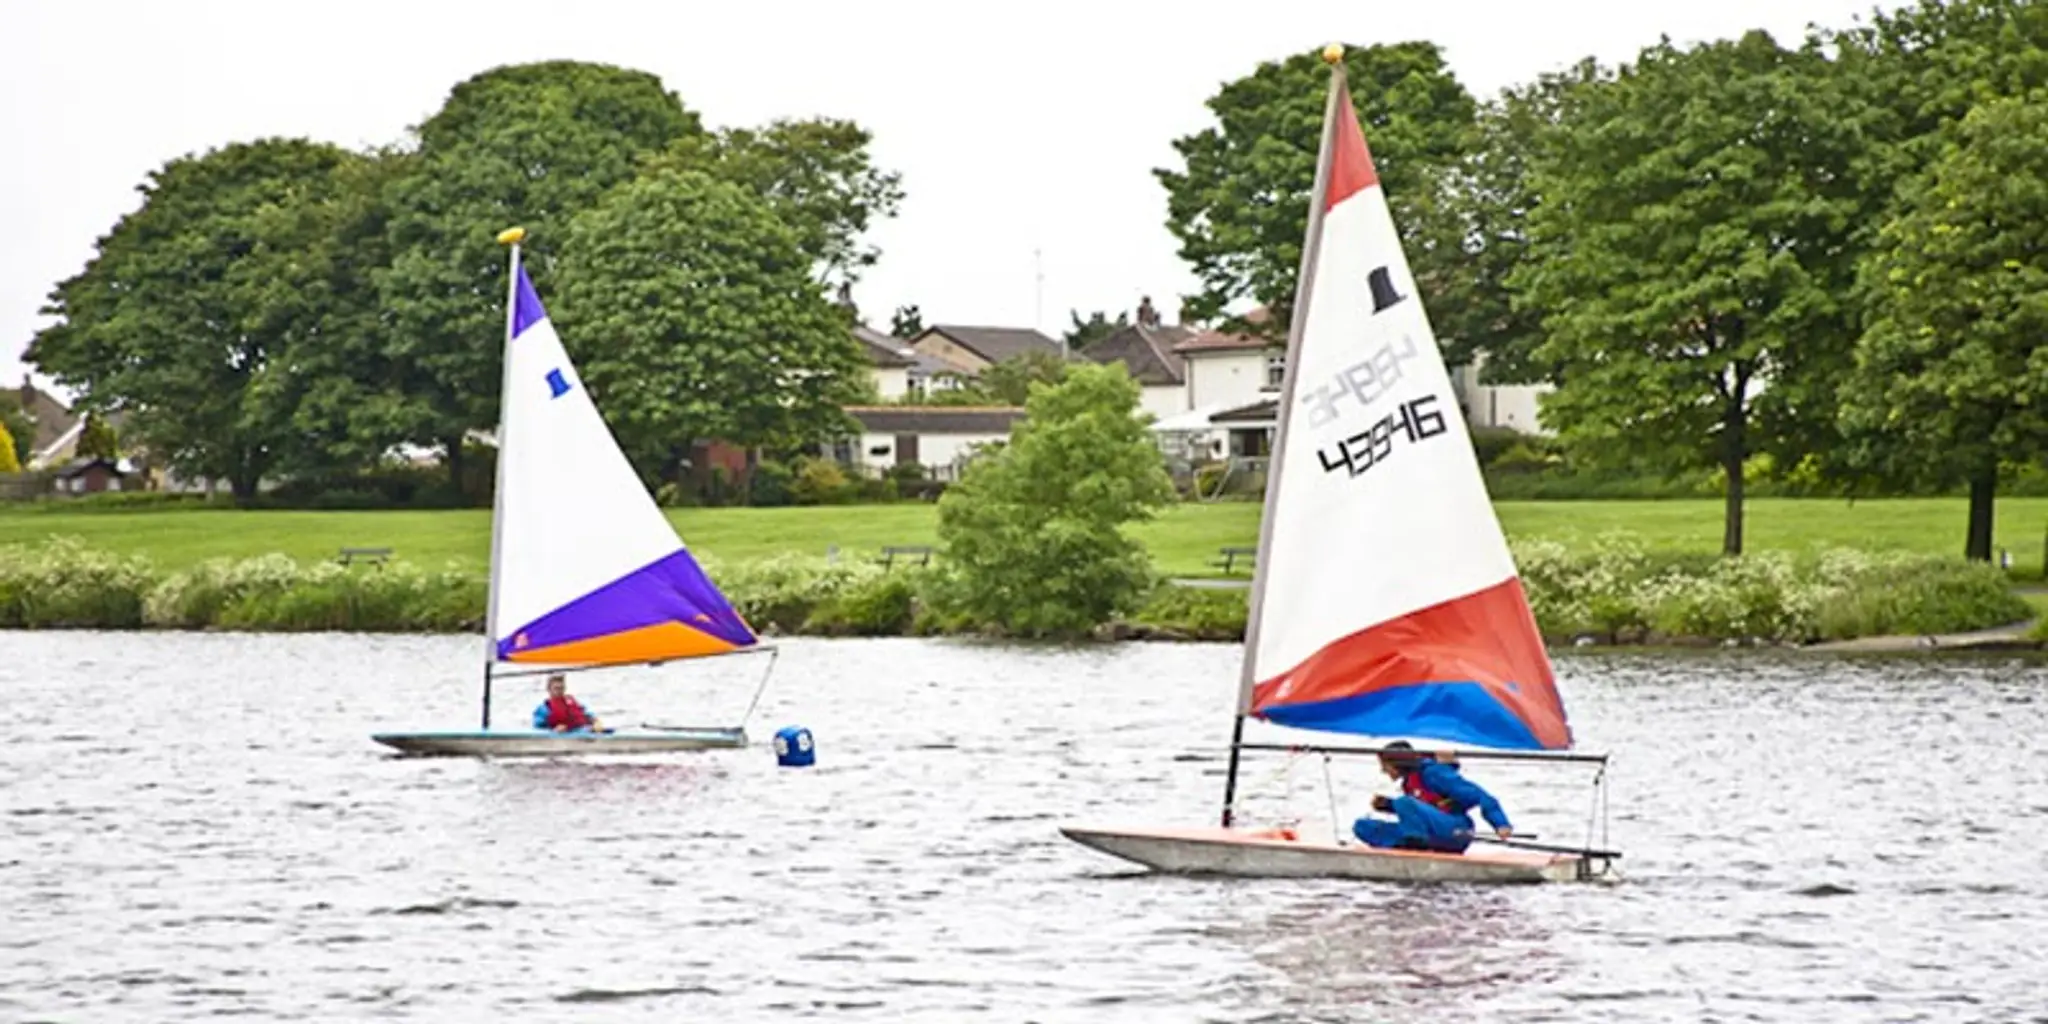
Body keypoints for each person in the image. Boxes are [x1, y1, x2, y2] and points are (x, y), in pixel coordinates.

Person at [1351, 741, 1513, 854]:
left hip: (1455, 829)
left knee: (1404, 803)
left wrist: (1500, 823)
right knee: (1363, 826)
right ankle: (1409, 845)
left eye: (1385, 766)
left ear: (1398, 763)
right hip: (1430, 834)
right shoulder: (1409, 783)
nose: (1384, 771)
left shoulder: (1435, 773)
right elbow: (1422, 811)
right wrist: (1388, 806)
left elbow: (1480, 796)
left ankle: (1415, 848)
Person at [532, 674, 606, 733]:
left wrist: (595, 720)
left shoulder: (570, 701)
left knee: (595, 728)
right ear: (549, 689)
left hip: (582, 731)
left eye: (562, 688)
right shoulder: (544, 708)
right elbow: (538, 727)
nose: (560, 691)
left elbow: (585, 713)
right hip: (564, 734)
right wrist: (554, 730)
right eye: (556, 688)